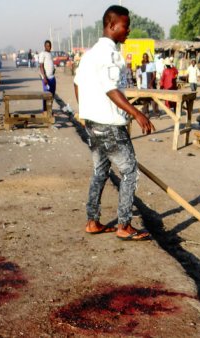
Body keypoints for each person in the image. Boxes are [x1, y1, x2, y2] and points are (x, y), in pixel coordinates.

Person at [74, 4, 154, 241]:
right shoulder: (110, 55)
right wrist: (137, 114)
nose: (128, 31)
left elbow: (77, 84)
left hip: (92, 123)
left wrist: (87, 110)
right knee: (130, 171)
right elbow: (111, 89)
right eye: (125, 26)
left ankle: (92, 221)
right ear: (111, 25)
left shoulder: (89, 55)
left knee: (100, 171)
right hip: (109, 125)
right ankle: (124, 225)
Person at [38, 40, 56, 112]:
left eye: (50, 46)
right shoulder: (43, 54)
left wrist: (53, 69)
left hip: (52, 77)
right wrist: (44, 77)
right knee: (46, 95)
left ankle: (50, 110)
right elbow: (41, 66)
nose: (49, 47)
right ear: (45, 46)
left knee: (52, 95)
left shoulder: (50, 54)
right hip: (46, 78)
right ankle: (45, 111)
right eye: (47, 46)